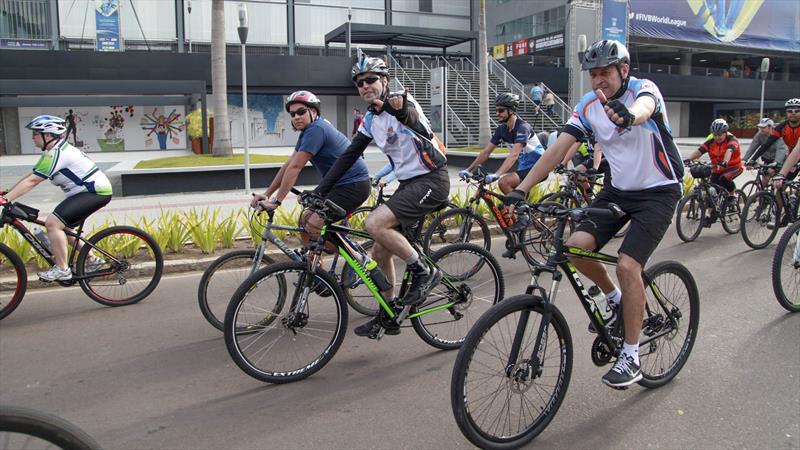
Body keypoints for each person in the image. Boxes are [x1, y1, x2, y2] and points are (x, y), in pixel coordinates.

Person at [504, 39, 684, 388]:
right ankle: (615, 299)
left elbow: (645, 108)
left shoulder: (643, 90)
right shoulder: (588, 105)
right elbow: (558, 149)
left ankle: (631, 356)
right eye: (594, 74)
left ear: (623, 70)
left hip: (659, 190)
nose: (599, 80)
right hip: (618, 190)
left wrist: (630, 116)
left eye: (605, 73)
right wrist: (522, 189)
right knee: (575, 248)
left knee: (628, 265)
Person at [313, 52, 449, 337]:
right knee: (378, 251)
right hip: (409, 184)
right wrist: (319, 191)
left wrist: (397, 109)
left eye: (370, 80)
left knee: (373, 223)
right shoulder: (370, 119)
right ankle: (390, 313)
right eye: (360, 83)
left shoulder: (402, 102)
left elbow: (416, 123)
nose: (365, 86)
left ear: (385, 81)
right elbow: (348, 156)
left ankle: (424, 270)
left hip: (432, 179)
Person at [251, 91, 371, 247]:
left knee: (313, 226)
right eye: (292, 114)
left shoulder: (317, 129)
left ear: (313, 112)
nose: (296, 117)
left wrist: (277, 201)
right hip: (337, 185)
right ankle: (311, 260)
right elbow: (289, 165)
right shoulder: (307, 131)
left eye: (301, 112)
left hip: (353, 185)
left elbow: (296, 168)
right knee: (304, 220)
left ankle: (356, 258)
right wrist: (267, 194)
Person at [1, 115, 113, 281]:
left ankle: (62, 269)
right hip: (85, 193)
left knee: (53, 224)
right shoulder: (53, 152)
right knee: (64, 229)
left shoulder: (58, 153)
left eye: (35, 133)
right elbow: (31, 175)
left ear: (48, 135)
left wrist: (6, 199)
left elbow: (33, 181)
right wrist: (7, 194)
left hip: (94, 192)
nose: (32, 137)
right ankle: (92, 259)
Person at [458, 93, 545, 196]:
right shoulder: (501, 130)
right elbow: (486, 152)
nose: (497, 113)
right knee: (514, 197)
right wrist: (468, 170)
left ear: (511, 111)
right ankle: (522, 205)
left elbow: (514, 154)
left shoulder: (522, 128)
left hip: (540, 167)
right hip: (524, 169)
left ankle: (520, 206)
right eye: (496, 110)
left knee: (504, 182)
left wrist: (497, 174)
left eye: (501, 110)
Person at [749, 98, 800, 225]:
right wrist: (752, 159)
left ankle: (795, 196)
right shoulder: (782, 127)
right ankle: (776, 216)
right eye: (790, 111)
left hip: (796, 155)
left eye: (797, 110)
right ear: (786, 113)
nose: (793, 113)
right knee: (780, 185)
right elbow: (767, 144)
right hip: (793, 157)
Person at [684, 119, 744, 224]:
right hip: (718, 168)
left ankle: (732, 195)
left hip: (733, 167)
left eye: (720, 135)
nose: (717, 137)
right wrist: (688, 159)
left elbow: (729, 150)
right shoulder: (711, 142)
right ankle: (711, 215)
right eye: (715, 135)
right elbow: (700, 151)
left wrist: (725, 161)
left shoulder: (732, 140)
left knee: (724, 178)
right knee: (711, 192)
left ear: (725, 133)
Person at [744, 118, 787, 188]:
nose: (761, 129)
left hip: (779, 161)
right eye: (760, 127)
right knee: (764, 181)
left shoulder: (778, 135)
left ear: (770, 127)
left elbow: (781, 151)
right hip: (767, 160)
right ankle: (763, 194)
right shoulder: (759, 135)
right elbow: (752, 148)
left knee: (777, 183)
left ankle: (775, 191)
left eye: (763, 127)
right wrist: (745, 160)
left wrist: (775, 164)